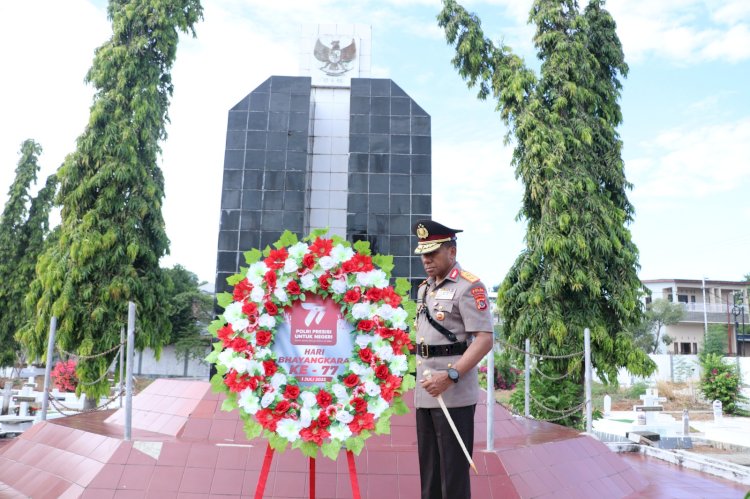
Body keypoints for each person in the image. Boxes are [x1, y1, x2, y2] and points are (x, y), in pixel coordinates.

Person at [412, 219, 494, 499]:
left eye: (432, 252)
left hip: (453, 393)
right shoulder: (424, 289)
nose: (426, 259)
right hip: (426, 393)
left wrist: (451, 376)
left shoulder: (469, 287)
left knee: (453, 478)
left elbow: (484, 339)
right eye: (423, 253)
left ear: (452, 252)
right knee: (430, 478)